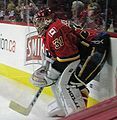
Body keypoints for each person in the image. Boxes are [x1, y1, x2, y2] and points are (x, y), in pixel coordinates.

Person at [31, 6, 110, 117]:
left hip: (95, 50)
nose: (37, 25)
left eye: (39, 21)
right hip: (86, 51)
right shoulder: (51, 29)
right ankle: (64, 106)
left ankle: (78, 115)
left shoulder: (54, 31)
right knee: (59, 80)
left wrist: (50, 75)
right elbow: (54, 56)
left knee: (70, 83)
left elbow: (69, 57)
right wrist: (46, 70)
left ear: (47, 20)